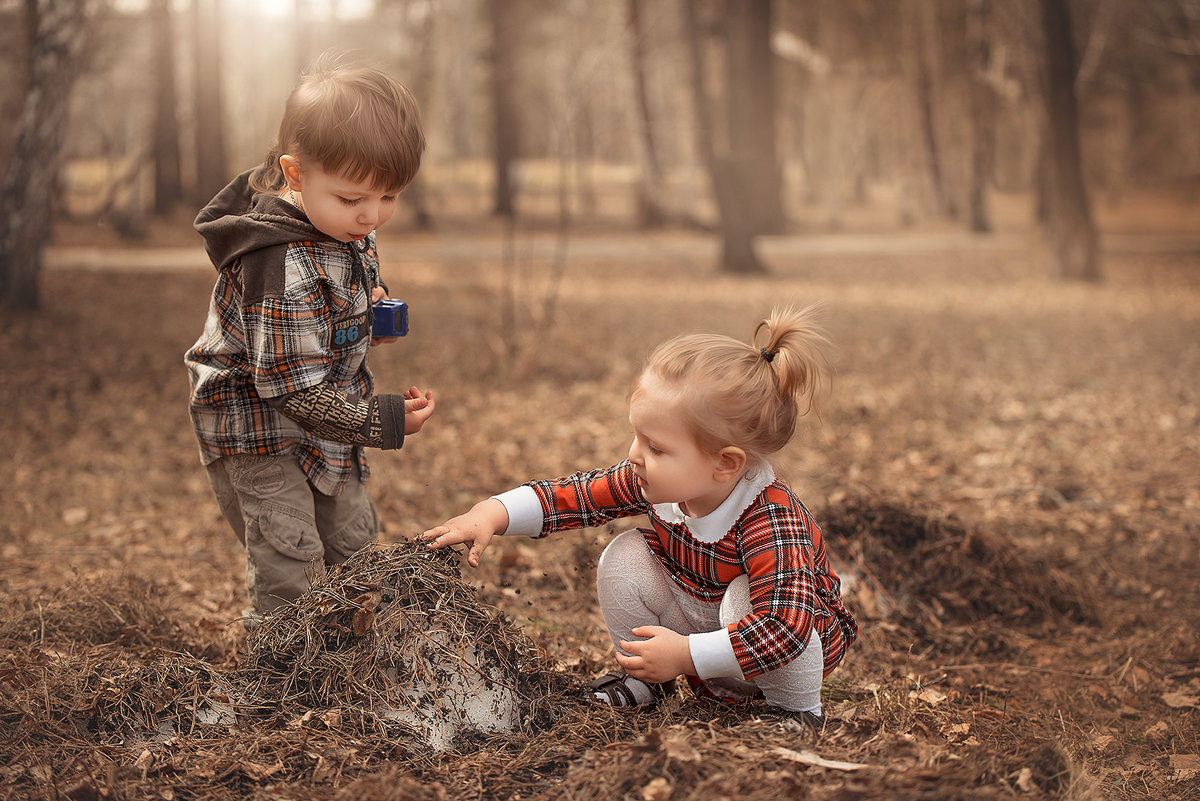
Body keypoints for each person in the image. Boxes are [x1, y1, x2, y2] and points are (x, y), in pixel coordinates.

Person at [421, 308, 857, 722]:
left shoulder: (770, 517)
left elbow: (786, 627)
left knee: (746, 596)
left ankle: (797, 710)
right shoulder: (660, 485)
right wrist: (491, 514)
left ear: (725, 463)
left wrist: (685, 656)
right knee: (626, 553)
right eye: (637, 436)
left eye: (656, 447)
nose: (635, 454)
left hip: (786, 644)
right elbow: (574, 497)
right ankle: (645, 682)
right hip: (706, 632)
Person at [184, 58, 435, 620]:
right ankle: (281, 681)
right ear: (295, 176)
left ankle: (355, 657)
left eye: (390, 196)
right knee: (289, 555)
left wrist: (366, 314)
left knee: (353, 542)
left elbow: (348, 283)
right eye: (354, 199)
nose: (372, 215)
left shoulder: (340, 225)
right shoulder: (277, 264)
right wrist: (384, 419)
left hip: (324, 421)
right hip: (259, 427)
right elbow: (291, 391)